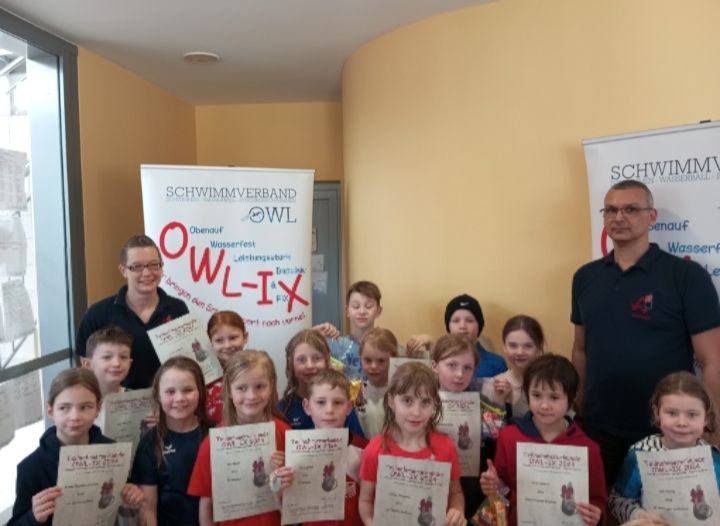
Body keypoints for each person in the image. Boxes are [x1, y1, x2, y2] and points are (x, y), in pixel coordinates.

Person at [571, 180, 720, 484]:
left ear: (652, 216)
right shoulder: (585, 277)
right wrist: (579, 407)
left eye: (630, 209)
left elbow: (712, 360)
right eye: (610, 210)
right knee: (600, 506)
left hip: (669, 433)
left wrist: (711, 427)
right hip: (599, 430)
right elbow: (580, 350)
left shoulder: (686, 276)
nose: (619, 217)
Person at [480, 354, 606, 526]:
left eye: (554, 397)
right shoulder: (508, 437)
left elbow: (598, 500)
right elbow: (504, 490)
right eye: (537, 395)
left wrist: (597, 515)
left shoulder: (587, 448)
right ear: (527, 395)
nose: (544, 405)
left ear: (571, 398)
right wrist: (494, 486)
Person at [10, 368, 144, 526]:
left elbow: (124, 507)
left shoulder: (113, 452)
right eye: (64, 408)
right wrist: (33, 516)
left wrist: (131, 497)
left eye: (85, 407)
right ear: (50, 410)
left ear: (98, 408)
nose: (74, 417)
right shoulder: (31, 468)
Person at [188, 350, 290, 526]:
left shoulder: (284, 432)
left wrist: (284, 475)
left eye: (260, 386)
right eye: (241, 388)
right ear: (228, 390)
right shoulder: (214, 443)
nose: (251, 396)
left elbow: (296, 500)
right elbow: (207, 505)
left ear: (271, 386)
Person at [358, 361, 466, 526]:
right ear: (391, 401)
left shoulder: (446, 447)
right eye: (407, 401)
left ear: (434, 404)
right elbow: (365, 500)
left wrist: (457, 510)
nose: (416, 412)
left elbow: (455, 493)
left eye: (425, 402)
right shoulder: (375, 449)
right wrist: (369, 522)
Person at [76, 235, 190, 389]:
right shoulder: (97, 314)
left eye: (154, 265)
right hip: (117, 401)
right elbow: (86, 369)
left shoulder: (178, 308)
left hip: (168, 399)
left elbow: (187, 361)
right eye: (137, 267)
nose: (147, 273)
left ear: (161, 267)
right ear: (123, 270)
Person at [608, 371, 720, 523]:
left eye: (692, 415)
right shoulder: (640, 455)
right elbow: (616, 500)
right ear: (657, 413)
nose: (682, 423)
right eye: (672, 413)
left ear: (706, 418)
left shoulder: (713, 459)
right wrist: (637, 515)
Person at [276, 369, 369, 526]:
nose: (329, 410)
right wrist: (278, 489)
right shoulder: (295, 453)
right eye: (320, 402)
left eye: (338, 402)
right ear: (307, 406)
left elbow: (372, 503)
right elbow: (289, 513)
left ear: (349, 407)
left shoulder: (364, 450)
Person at [131, 357, 210, 526]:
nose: (179, 398)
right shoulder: (150, 443)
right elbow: (148, 509)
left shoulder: (214, 434)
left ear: (200, 392)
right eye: (170, 392)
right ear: (158, 396)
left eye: (188, 390)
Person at [431, 333, 483, 520]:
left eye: (467, 367)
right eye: (452, 365)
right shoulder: (420, 403)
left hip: (469, 485)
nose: (460, 374)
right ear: (434, 366)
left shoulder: (484, 407)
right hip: (430, 480)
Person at [277, 329, 364, 436]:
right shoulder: (283, 409)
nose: (309, 365)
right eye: (301, 360)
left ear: (327, 361)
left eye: (316, 358)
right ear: (291, 364)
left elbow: (358, 443)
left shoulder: (341, 403)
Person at [407, 293, 507, 379]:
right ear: (448, 327)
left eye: (469, 321)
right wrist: (430, 348)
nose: (462, 326)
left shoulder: (496, 364)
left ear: (479, 326)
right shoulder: (440, 360)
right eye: (456, 321)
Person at [315, 280, 384, 381]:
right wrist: (313, 334)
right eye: (356, 306)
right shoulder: (334, 345)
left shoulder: (388, 347)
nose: (362, 311)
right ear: (347, 311)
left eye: (368, 306)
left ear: (378, 311)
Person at [481, 315, 545, 419]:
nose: (520, 352)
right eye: (513, 345)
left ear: (539, 348)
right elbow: (489, 426)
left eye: (528, 346)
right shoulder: (492, 386)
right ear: (504, 347)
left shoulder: (552, 384)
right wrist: (500, 401)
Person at [204, 310, 248, 425]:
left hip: (252, 432)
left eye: (233, 338)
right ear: (210, 342)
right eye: (219, 340)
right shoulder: (203, 375)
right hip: (211, 432)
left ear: (245, 337)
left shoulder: (257, 369)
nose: (227, 345)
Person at [355, 327, 398, 438]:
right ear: (360, 358)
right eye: (368, 360)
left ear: (393, 360)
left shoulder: (400, 393)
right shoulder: (356, 393)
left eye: (381, 361)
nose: (373, 366)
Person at [80, 325, 133, 397]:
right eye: (106, 357)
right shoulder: (77, 398)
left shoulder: (137, 398)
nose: (116, 363)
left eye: (123, 357)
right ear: (87, 364)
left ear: (130, 363)